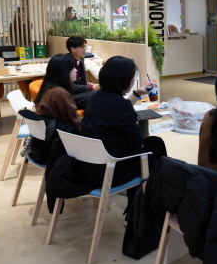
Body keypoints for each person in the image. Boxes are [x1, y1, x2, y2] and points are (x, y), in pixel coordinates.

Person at [77, 56, 149, 189]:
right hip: (110, 171)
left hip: (87, 167)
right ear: (125, 80)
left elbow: (118, 108)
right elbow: (136, 144)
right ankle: (147, 196)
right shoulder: (121, 105)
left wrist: (136, 93)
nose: (133, 81)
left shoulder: (95, 98)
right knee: (155, 146)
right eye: (132, 78)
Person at [34, 54, 81, 131]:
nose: (76, 70)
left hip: (50, 132)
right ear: (64, 71)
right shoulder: (60, 93)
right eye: (72, 67)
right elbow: (74, 123)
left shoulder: (47, 87)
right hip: (62, 135)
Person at [65, 36, 100, 109]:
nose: (85, 50)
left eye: (85, 47)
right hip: (67, 94)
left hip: (77, 92)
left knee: (93, 100)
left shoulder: (81, 60)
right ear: (72, 49)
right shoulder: (66, 62)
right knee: (95, 94)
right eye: (82, 47)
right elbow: (70, 86)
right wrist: (92, 87)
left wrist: (89, 84)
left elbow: (79, 81)